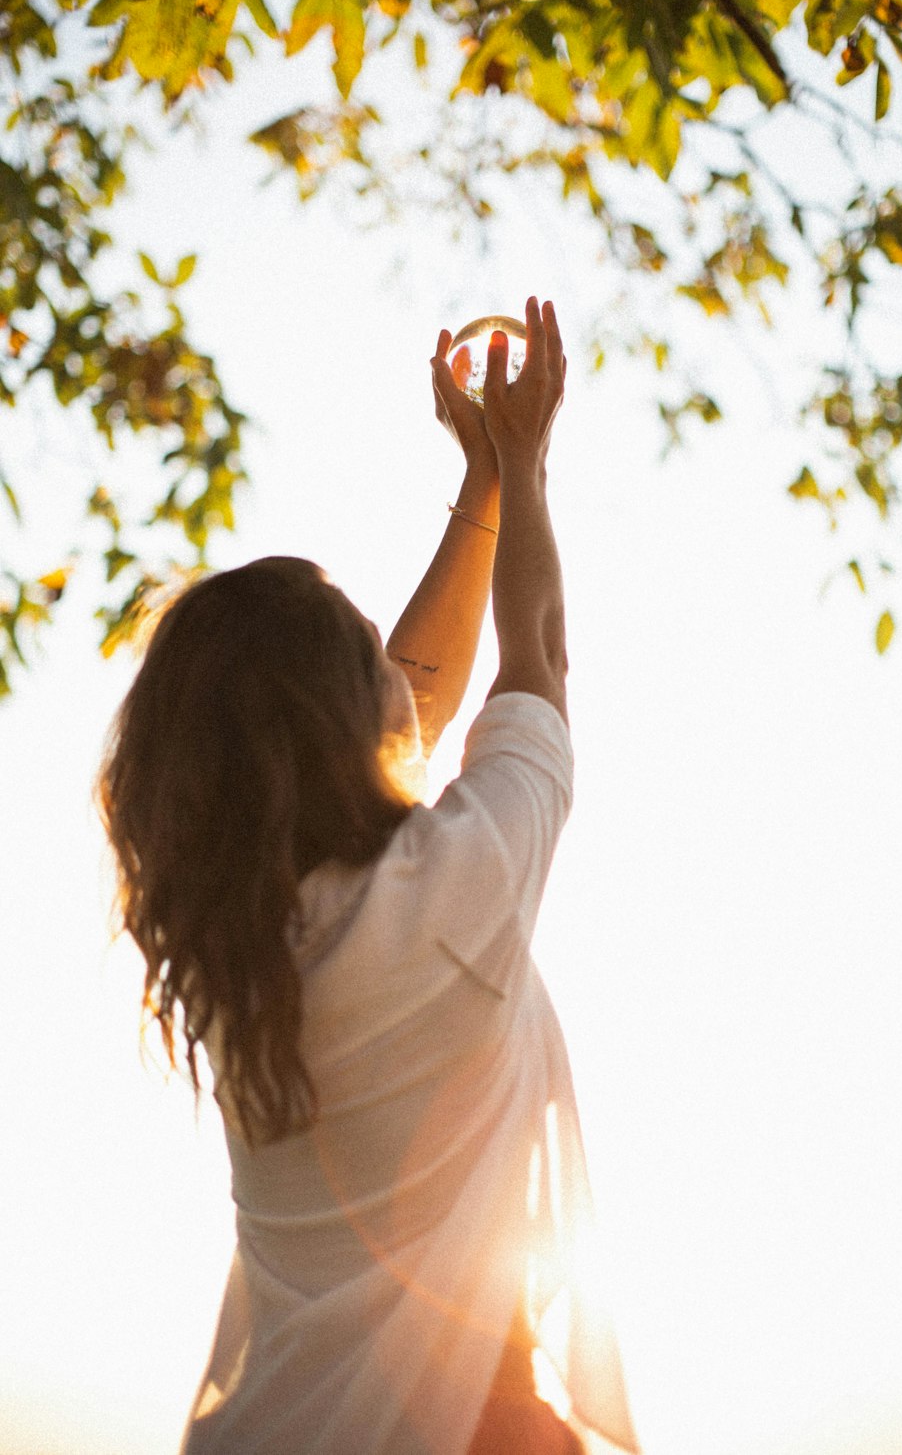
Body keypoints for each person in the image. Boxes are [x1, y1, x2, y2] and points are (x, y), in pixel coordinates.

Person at [98, 297, 640, 1455]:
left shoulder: (234, 960)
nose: (395, 672)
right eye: (366, 657)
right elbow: (530, 658)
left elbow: (420, 693)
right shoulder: (457, 896)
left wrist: (483, 487)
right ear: (346, 720)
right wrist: (525, 461)